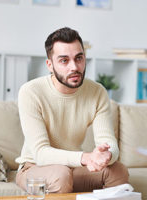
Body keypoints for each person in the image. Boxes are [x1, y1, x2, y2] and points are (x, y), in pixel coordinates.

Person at [15, 27, 129, 193]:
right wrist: (85, 157)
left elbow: (109, 142)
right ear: (50, 65)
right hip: (34, 168)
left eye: (79, 58)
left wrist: (106, 155)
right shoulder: (31, 92)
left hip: (71, 168)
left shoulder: (97, 92)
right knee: (60, 175)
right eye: (64, 61)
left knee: (118, 171)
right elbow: (41, 153)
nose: (74, 67)